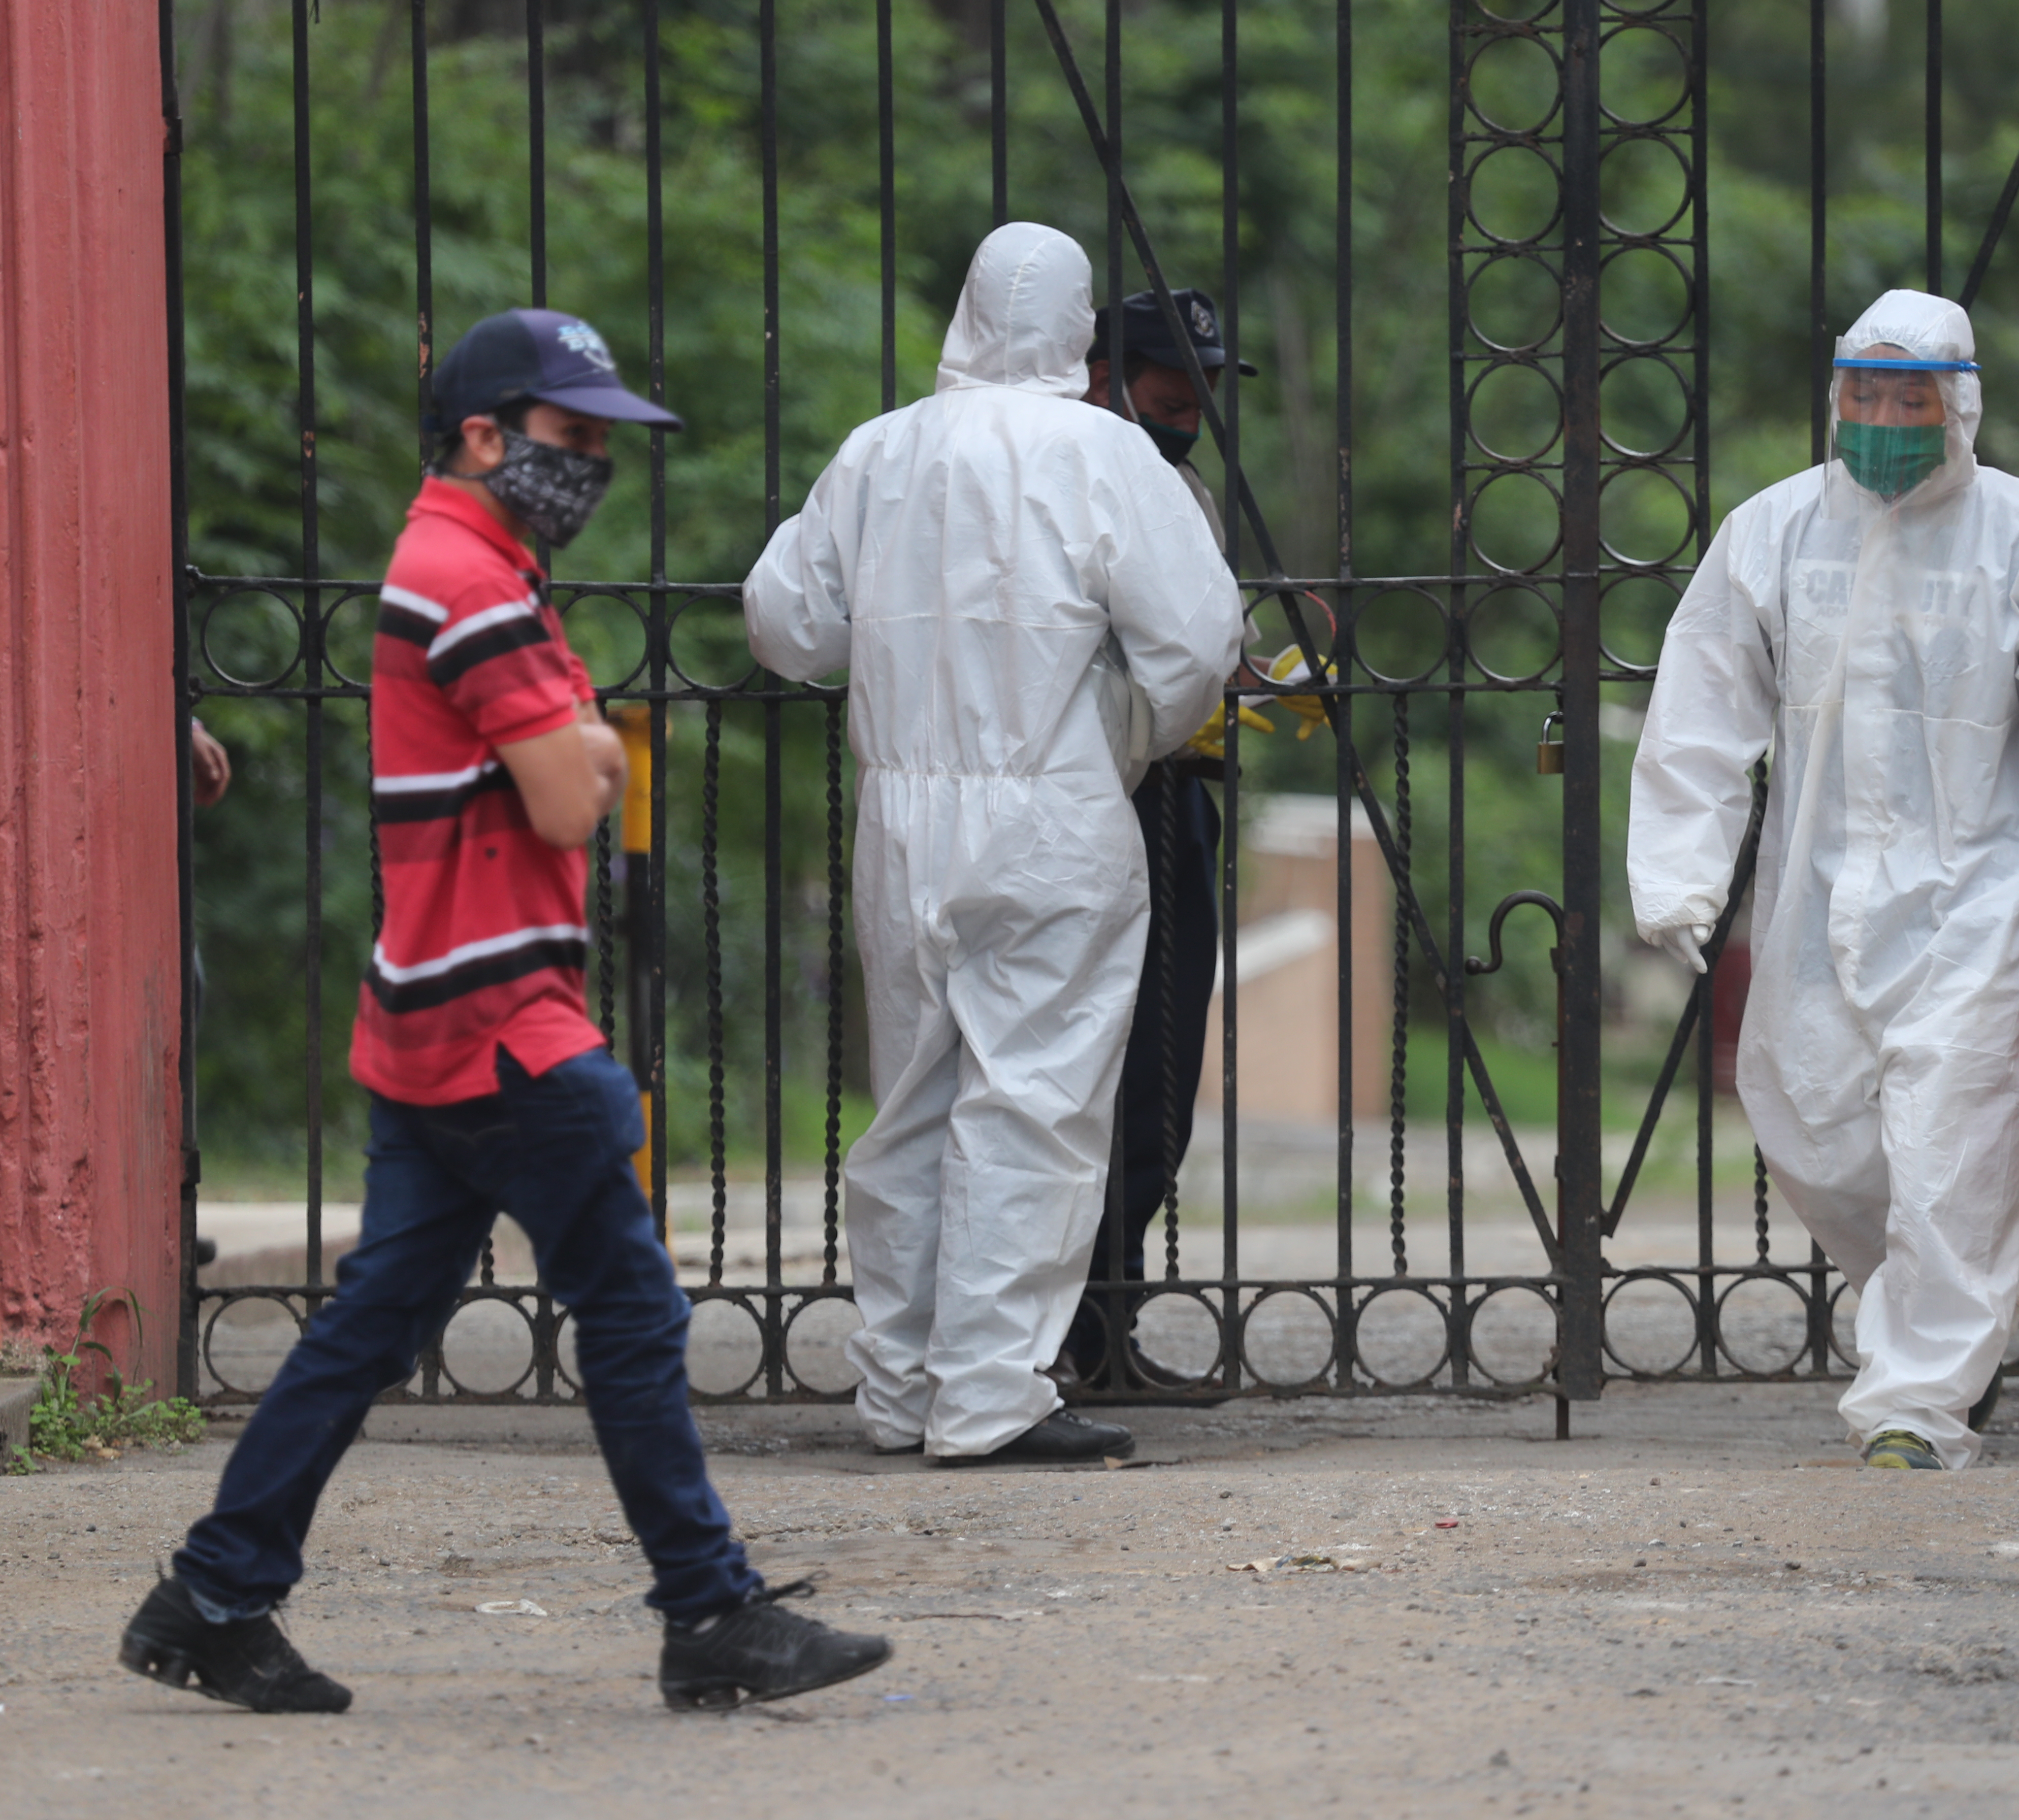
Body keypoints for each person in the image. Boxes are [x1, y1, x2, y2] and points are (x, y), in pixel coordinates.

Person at [121, 308, 890, 1712]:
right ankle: (709, 1610)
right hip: (506, 1029)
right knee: (636, 1312)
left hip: (434, 1015)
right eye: (569, 436)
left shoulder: (473, 566)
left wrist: (580, 746)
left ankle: (214, 1594)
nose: (590, 464)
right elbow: (566, 791)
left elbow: (572, 768)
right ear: (484, 437)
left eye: (602, 442)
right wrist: (588, 748)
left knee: (370, 1327)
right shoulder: (468, 581)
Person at [1625, 289, 2019, 1473]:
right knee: (1812, 1133)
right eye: (1862, 391)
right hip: (1817, 897)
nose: (1880, 415)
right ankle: (1936, 1306)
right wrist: (1678, 876)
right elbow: (1702, 708)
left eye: (1907, 396)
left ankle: (1915, 1406)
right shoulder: (1774, 534)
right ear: (1834, 396)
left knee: (1946, 1145)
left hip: (1976, 898)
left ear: (1958, 405)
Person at [742, 225, 1242, 1464]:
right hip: (1051, 810)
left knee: (912, 1104)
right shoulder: (1102, 452)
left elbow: (784, 626)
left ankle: (902, 1385)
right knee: (1036, 1100)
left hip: (903, 813)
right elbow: (1197, 640)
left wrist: (908, 665)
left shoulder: (879, 452)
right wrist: (1122, 734)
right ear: (1080, 335)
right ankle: (990, 1394)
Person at [1057, 286, 1325, 1393]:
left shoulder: (1188, 493)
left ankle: (1102, 1319)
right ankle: (1045, 1330)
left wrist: (1296, 680)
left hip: (1175, 798)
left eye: (1203, 387)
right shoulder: (1055, 474)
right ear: (1093, 373)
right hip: (1074, 795)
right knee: (1062, 1069)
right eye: (1171, 385)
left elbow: (1222, 667)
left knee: (1158, 1074)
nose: (1191, 406)